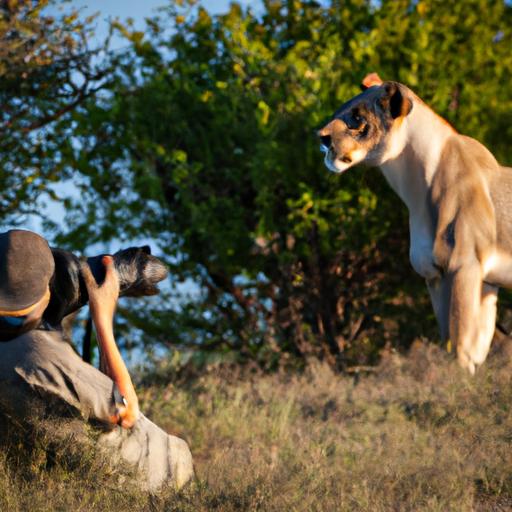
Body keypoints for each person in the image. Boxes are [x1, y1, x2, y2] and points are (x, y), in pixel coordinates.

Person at [0, 229, 193, 490]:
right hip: (140, 478)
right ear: (45, 294)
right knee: (173, 451)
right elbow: (125, 411)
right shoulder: (42, 355)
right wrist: (103, 314)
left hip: (31, 467)